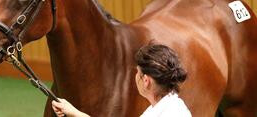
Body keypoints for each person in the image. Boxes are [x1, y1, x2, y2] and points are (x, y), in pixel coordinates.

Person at [52, 44, 192, 117]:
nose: (135, 76)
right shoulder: (172, 105)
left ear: (146, 81)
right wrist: (73, 112)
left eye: (138, 72)